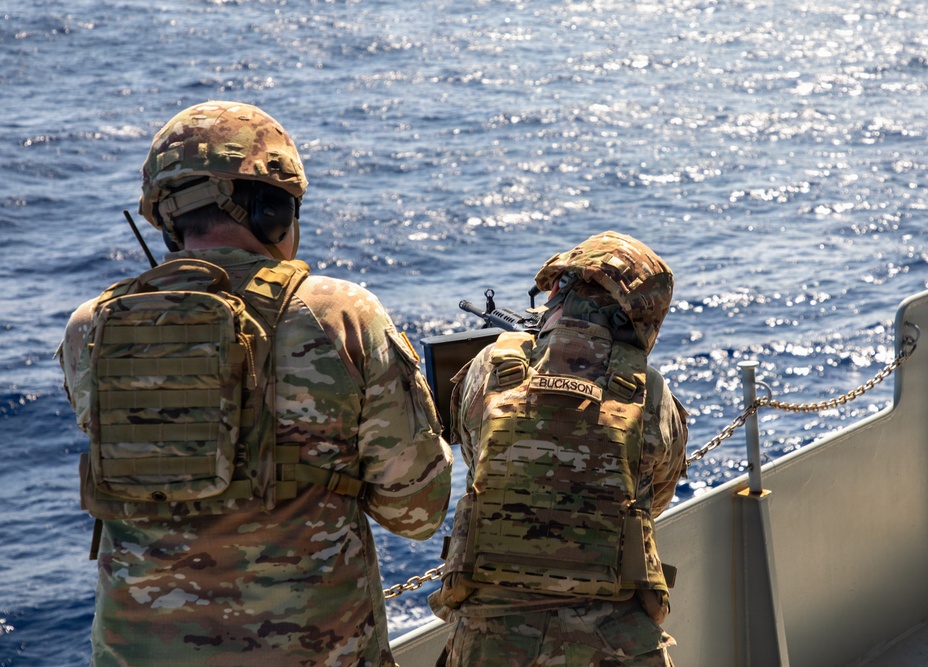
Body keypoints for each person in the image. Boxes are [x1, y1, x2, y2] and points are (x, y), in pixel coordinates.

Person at [59, 100, 453, 666]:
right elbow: (416, 511)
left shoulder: (90, 328)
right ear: (275, 210)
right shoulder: (339, 315)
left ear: (167, 220)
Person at [429, 230, 689, 667]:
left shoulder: (487, 369)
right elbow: (656, 496)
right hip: (616, 643)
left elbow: (478, 459)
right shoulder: (652, 393)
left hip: (490, 640)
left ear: (556, 292)